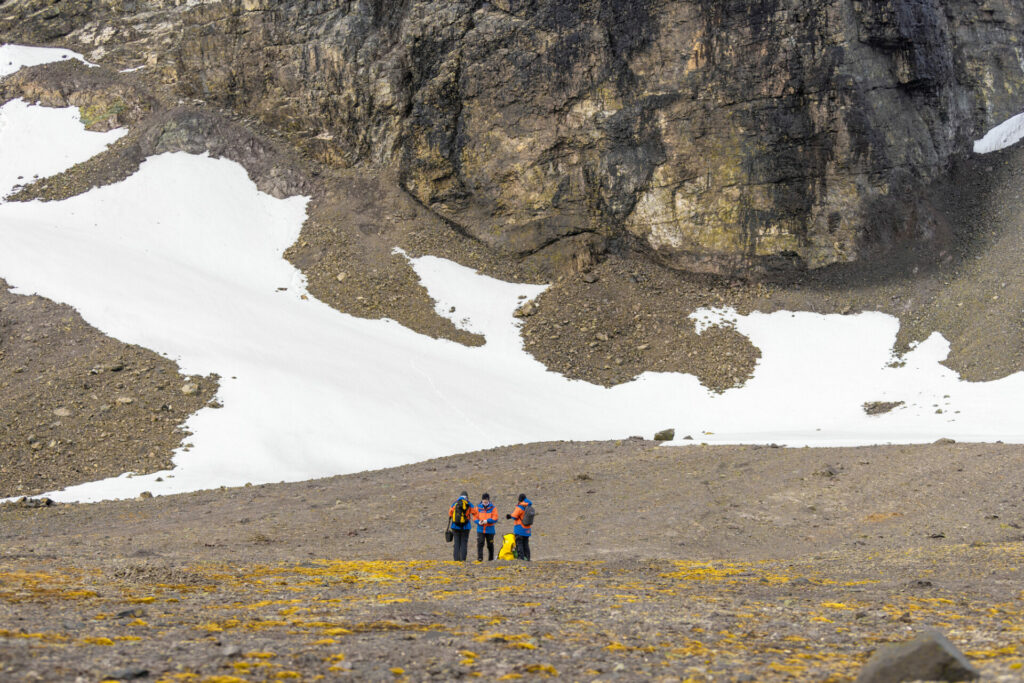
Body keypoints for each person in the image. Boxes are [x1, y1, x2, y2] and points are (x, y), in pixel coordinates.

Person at [448, 491, 475, 562]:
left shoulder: (455, 503)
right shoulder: (468, 503)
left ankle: (456, 559)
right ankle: (463, 559)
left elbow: (450, 513)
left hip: (455, 526)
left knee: (456, 543)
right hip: (466, 527)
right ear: (467, 496)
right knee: (464, 543)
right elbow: (475, 512)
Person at [506, 493, 533, 561]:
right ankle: (528, 558)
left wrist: (509, 516)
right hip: (527, 529)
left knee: (519, 543)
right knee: (526, 544)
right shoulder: (529, 506)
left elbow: (515, 516)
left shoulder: (520, 507)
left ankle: (521, 558)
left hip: (519, 528)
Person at [474, 492, 498, 561]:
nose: (484, 503)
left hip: (490, 530)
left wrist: (487, 521)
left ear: (488, 500)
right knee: (480, 544)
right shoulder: (478, 507)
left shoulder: (493, 508)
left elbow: (495, 518)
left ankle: (490, 559)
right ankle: (480, 558)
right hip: (480, 529)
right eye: (483, 502)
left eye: (486, 502)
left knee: (490, 545)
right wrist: (478, 522)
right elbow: (475, 517)